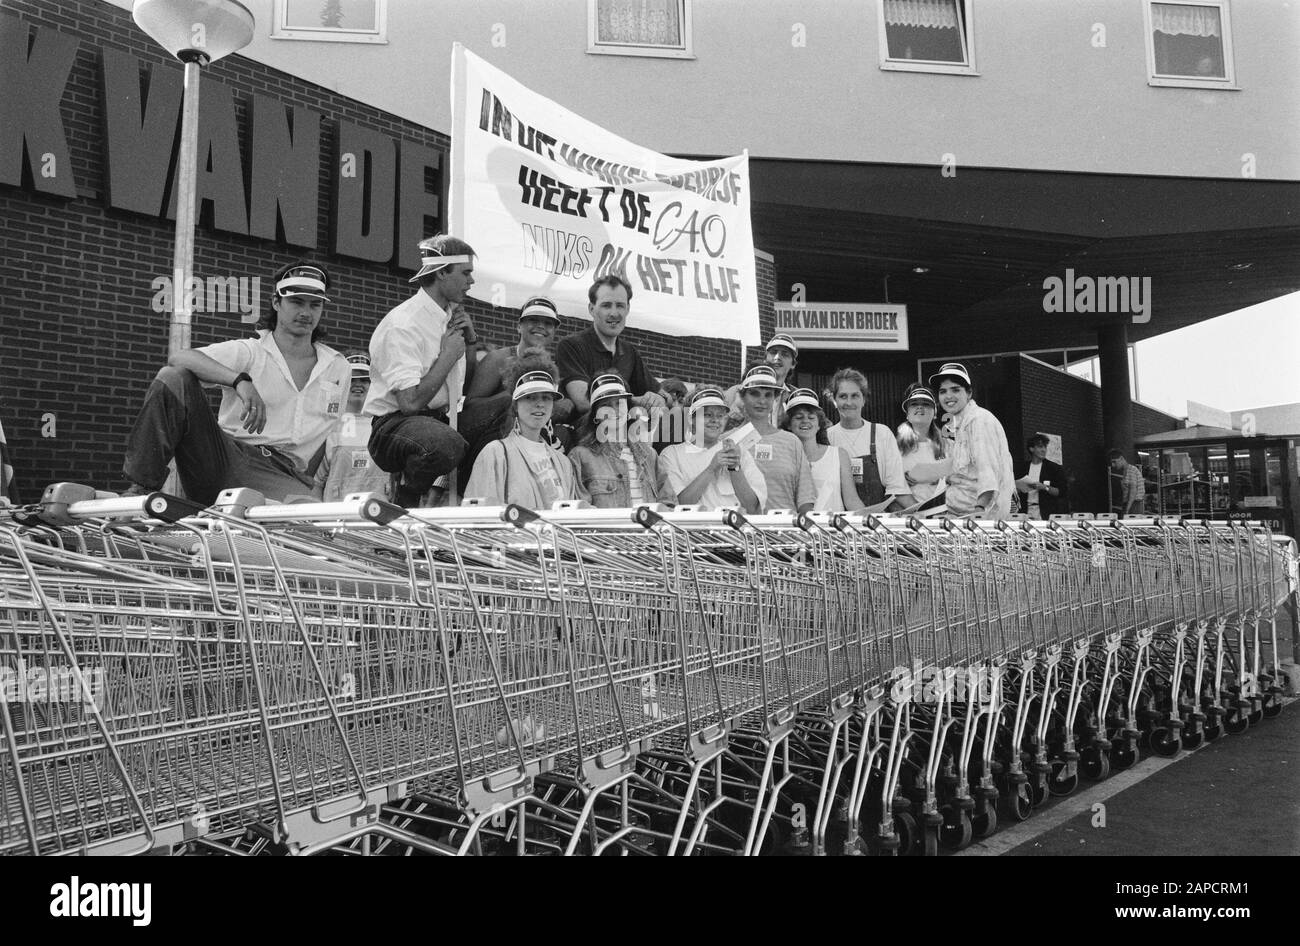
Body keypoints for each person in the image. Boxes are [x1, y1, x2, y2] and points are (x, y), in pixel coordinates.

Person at [122, 262, 350, 505]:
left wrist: (307, 483)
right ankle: (141, 488)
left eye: (315, 304)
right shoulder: (250, 352)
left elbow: (328, 434)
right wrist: (239, 380)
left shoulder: (338, 367)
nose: (306, 312)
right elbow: (180, 358)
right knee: (174, 378)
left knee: (306, 519)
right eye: (296, 302)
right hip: (225, 457)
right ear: (276, 303)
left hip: (282, 472)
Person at [365, 234, 478, 507]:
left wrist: (470, 340)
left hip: (440, 418)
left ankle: (466, 497)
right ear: (441, 273)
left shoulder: (450, 315)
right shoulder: (404, 323)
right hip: (392, 427)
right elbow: (410, 403)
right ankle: (406, 498)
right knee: (446, 443)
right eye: (466, 274)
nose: (471, 282)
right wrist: (447, 356)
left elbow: (464, 385)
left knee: (501, 410)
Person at [460, 296, 575, 473]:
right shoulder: (499, 359)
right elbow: (471, 406)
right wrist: (518, 394)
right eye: (533, 320)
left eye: (548, 323)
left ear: (554, 331)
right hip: (489, 441)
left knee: (563, 432)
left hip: (528, 443)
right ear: (518, 326)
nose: (541, 326)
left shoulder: (550, 369)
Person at [464, 359, 585, 509]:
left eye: (546, 397)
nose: (540, 404)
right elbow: (480, 515)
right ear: (515, 405)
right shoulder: (495, 453)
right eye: (530, 397)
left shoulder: (563, 462)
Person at [555, 274, 666, 426]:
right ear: (592, 309)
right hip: (584, 439)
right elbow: (583, 401)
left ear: (627, 309)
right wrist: (634, 401)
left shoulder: (629, 352)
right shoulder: (571, 345)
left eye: (620, 305)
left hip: (622, 438)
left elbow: (662, 394)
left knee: (675, 419)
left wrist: (658, 398)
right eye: (606, 305)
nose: (614, 313)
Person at [568, 374, 676, 508]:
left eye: (619, 403)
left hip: (649, 529)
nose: (614, 410)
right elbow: (581, 513)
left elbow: (670, 504)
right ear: (595, 414)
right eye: (605, 405)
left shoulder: (650, 455)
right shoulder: (580, 457)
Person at [929, 362, 1015, 520]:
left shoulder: (979, 420)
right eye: (943, 391)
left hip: (981, 520)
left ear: (969, 393)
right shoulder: (953, 426)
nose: (948, 396)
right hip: (958, 517)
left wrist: (979, 511)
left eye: (955, 390)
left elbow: (988, 472)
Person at [659, 387, 765, 513]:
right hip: (693, 531)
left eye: (720, 415)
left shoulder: (738, 451)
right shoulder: (671, 454)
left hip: (734, 530)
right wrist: (711, 469)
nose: (715, 420)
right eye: (707, 415)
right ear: (691, 420)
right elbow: (678, 505)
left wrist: (735, 468)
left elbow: (752, 508)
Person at [735, 365, 814, 514]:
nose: (762, 401)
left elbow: (805, 500)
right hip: (738, 533)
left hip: (785, 533)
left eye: (768, 395)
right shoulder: (727, 441)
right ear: (742, 396)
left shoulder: (792, 442)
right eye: (754, 394)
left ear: (775, 398)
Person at [826, 367, 909, 509]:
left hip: (878, 519)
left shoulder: (881, 433)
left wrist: (924, 514)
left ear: (864, 399)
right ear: (834, 400)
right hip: (838, 521)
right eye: (843, 396)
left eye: (855, 396)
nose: (849, 402)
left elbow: (896, 487)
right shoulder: (827, 437)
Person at [313, 351, 391, 502]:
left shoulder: (385, 425)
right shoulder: (328, 426)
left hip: (379, 519)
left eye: (364, 379)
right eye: (352, 378)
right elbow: (315, 484)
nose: (358, 384)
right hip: (335, 520)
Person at [782, 388, 864, 512]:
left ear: (819, 424)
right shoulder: (782, 457)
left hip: (833, 529)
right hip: (796, 529)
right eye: (798, 417)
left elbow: (852, 501)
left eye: (811, 417)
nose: (805, 421)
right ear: (788, 424)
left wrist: (871, 520)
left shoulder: (839, 455)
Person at [724, 333, 799, 426]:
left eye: (784, 354)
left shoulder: (796, 396)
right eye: (773, 352)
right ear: (765, 359)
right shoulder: (736, 392)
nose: (777, 357)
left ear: (793, 364)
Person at [896, 383, 949, 508]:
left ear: (935, 412)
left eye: (926, 404)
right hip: (908, 517)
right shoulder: (893, 447)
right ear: (907, 413)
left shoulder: (949, 446)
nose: (920, 407)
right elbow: (889, 491)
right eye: (914, 404)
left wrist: (944, 479)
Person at [1015, 434, 1069, 519]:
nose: (1044, 450)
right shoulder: (1023, 468)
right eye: (1040, 447)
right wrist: (1018, 489)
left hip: (1045, 513)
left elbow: (1062, 492)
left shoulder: (1054, 468)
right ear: (1031, 449)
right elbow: (1015, 491)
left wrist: (1045, 487)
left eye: (1045, 447)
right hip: (1025, 512)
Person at [1109, 449, 1146, 517]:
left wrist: (1127, 509)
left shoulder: (1131, 470)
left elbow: (1133, 490)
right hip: (1132, 503)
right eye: (1112, 462)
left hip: (1133, 504)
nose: (1113, 465)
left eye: (1114, 462)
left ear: (1121, 458)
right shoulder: (1128, 470)